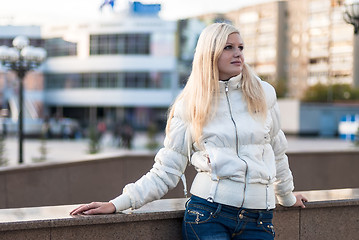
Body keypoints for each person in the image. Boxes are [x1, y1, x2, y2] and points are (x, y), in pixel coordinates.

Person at [71, 23, 307, 239]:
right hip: (208, 216)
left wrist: (286, 197)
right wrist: (118, 203)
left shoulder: (263, 95)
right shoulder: (191, 104)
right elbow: (166, 170)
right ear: (209, 54)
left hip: (259, 219)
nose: (238, 53)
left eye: (240, 47)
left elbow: (277, 154)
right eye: (228, 47)